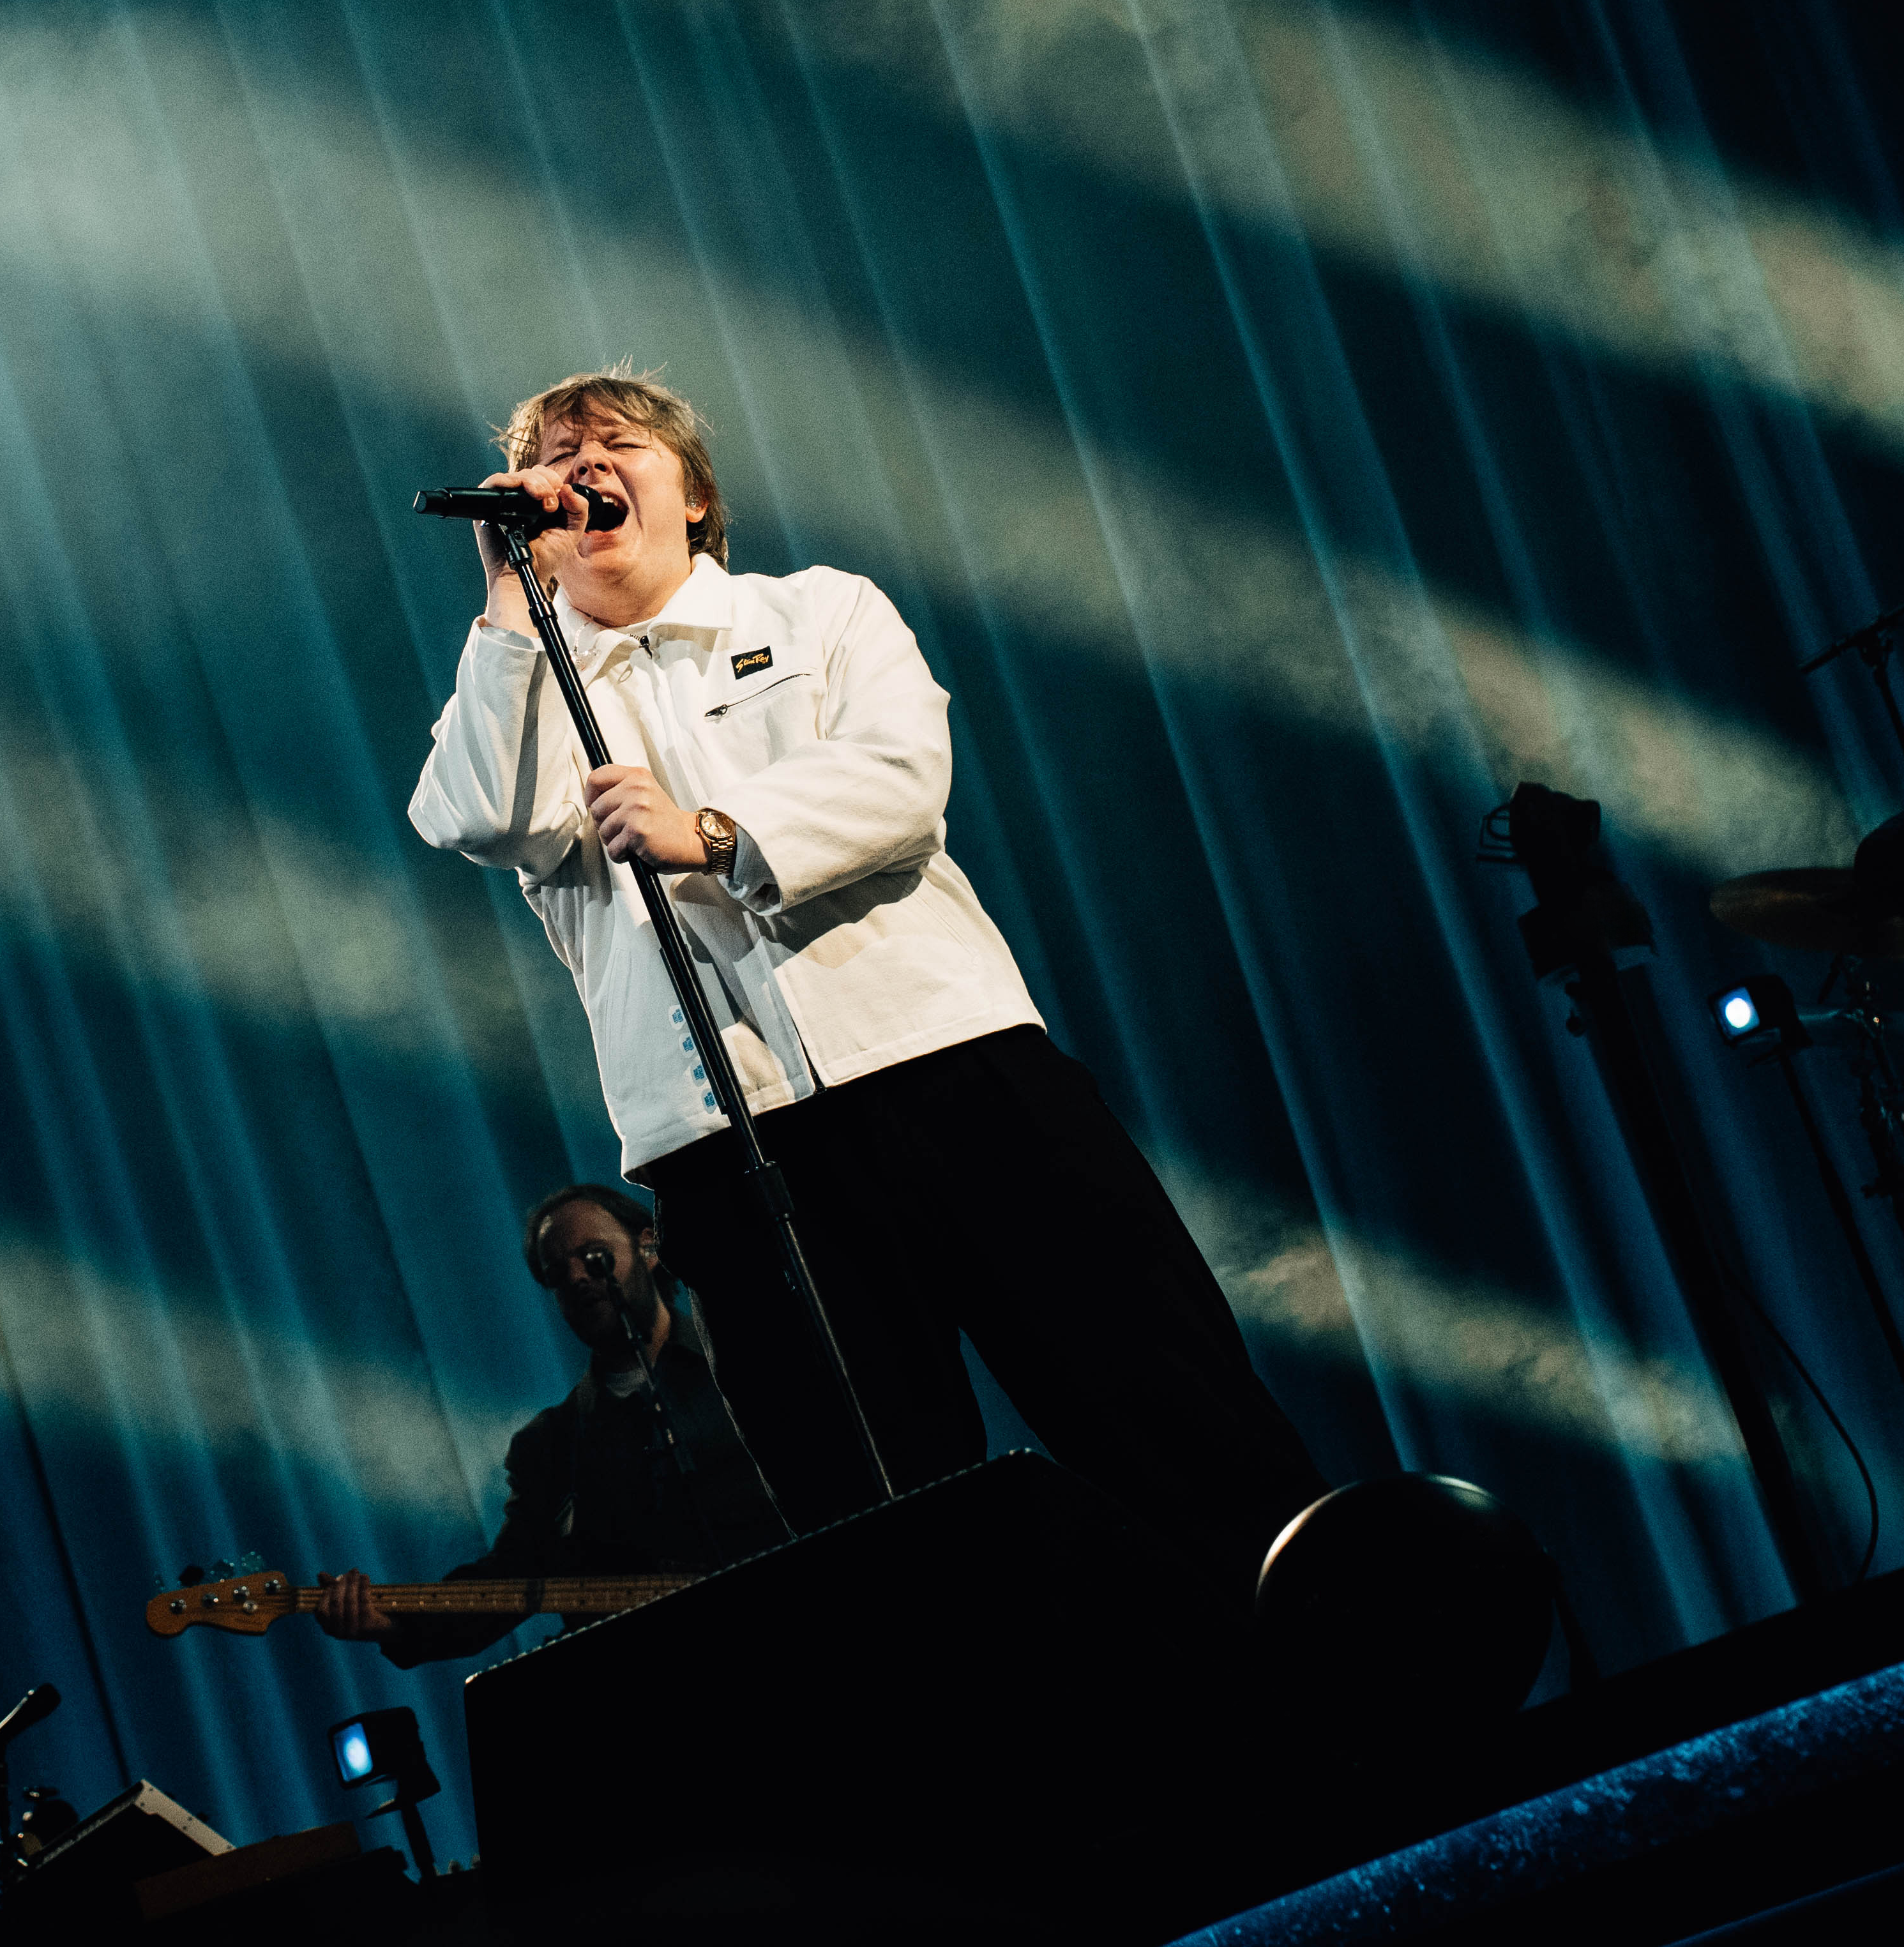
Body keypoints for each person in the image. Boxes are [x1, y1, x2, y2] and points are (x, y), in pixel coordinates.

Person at [405, 367, 1325, 1596]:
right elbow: (469, 813)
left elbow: (900, 780)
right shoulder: (524, 693)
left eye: (611, 445)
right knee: (871, 1503)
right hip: (727, 1143)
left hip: (951, 1069)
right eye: (551, 456)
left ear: (695, 493)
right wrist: (506, 609)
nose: (576, 472)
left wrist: (714, 832)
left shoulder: (820, 610)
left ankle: (1345, 1673)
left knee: (1155, 1396)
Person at [307, 1183, 790, 1664]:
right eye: (557, 1273)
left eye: (594, 1256)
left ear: (649, 1247)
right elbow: (508, 1581)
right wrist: (391, 1623)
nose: (578, 1277)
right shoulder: (551, 1447)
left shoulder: (750, 1359)